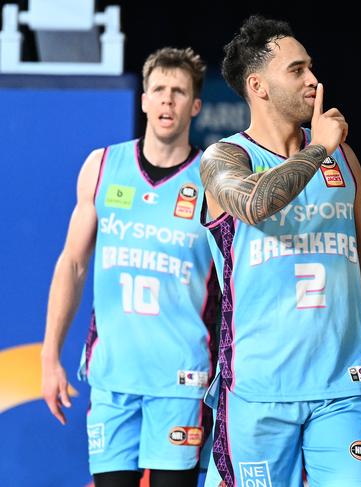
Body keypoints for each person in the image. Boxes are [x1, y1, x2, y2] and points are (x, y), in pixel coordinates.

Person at [198, 16, 361, 487]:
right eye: (297, 70)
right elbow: (258, 204)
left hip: (342, 391)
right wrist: (319, 149)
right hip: (259, 394)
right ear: (258, 85)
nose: (313, 81)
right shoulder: (224, 158)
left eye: (311, 68)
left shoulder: (343, 158)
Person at [41, 47, 219, 487]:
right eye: (158, 89)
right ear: (143, 99)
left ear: (195, 105)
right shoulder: (102, 167)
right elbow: (73, 265)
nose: (167, 100)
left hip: (182, 380)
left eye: (179, 92)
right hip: (113, 376)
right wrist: (50, 357)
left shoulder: (212, 180)